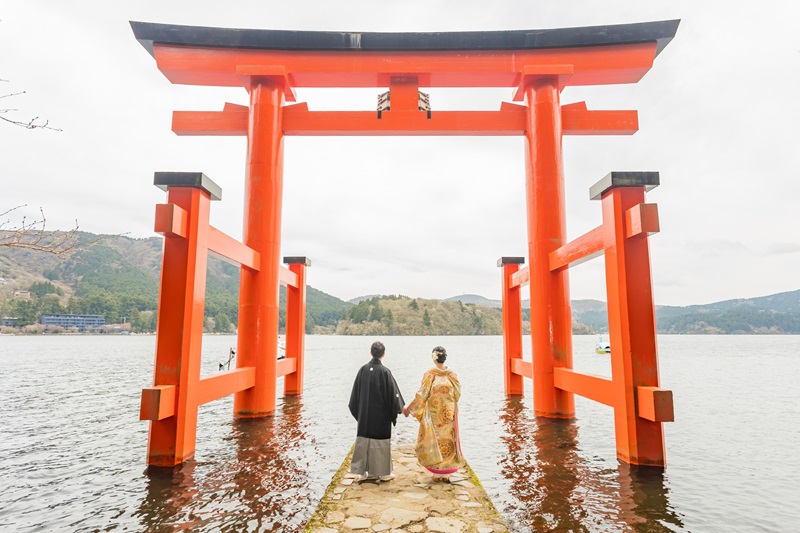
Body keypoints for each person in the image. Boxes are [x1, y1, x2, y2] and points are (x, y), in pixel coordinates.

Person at [402, 345, 465, 481]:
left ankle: (437, 473)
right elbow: (458, 393)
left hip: (436, 414)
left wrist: (410, 408)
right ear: (444, 358)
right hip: (449, 413)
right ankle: (446, 474)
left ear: (434, 358)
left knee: (436, 441)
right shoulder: (451, 375)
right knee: (448, 441)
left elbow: (422, 395)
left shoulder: (430, 374)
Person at [348, 341, 405, 482]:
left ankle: (362, 472)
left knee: (363, 441)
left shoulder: (362, 370)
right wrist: (398, 410)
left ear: (371, 353)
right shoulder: (385, 372)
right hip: (381, 417)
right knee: (380, 443)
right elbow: (394, 396)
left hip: (365, 417)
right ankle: (383, 473)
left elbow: (354, 397)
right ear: (383, 354)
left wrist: (360, 414)